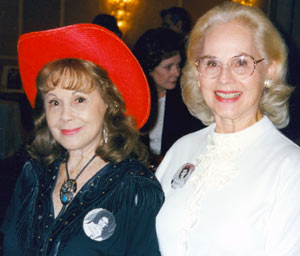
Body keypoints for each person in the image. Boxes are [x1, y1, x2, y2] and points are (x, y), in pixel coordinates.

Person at [1, 23, 164, 256]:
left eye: (79, 100)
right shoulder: (34, 174)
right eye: (54, 102)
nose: (65, 116)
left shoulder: (134, 188)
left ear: (109, 104)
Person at [155, 2, 300, 255]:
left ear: (269, 70)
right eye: (212, 63)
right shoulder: (181, 149)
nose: (224, 78)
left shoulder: (289, 168)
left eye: (241, 62)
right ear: (197, 72)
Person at [133, 27, 204, 168]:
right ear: (149, 68)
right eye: (168, 67)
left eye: (178, 65)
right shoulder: (133, 100)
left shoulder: (186, 99)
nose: (176, 73)